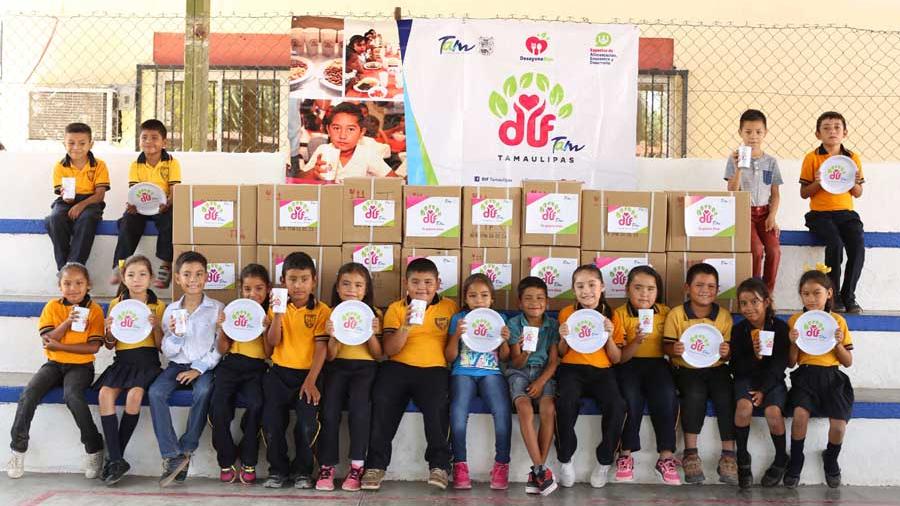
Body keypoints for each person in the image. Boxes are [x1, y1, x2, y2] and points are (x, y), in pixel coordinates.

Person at [361, 258, 458, 491]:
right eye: (415, 282)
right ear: (406, 283)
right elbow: (389, 350)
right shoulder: (396, 309)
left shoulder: (450, 307)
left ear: (438, 284)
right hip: (398, 367)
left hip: (434, 369)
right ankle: (375, 465)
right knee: (382, 400)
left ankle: (440, 466)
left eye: (428, 282)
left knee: (437, 406)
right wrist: (406, 325)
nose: (421, 288)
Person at [7, 263, 104, 479]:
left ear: (88, 285)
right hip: (54, 364)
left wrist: (59, 346)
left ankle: (94, 448)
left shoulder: (95, 310)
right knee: (29, 393)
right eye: (67, 283)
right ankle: (18, 448)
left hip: (81, 366)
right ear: (60, 286)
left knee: (73, 396)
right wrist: (68, 322)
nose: (73, 288)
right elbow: (48, 338)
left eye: (79, 283)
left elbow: (93, 347)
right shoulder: (52, 307)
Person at [149, 251, 223, 487]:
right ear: (178, 278)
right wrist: (177, 336)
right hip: (176, 364)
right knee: (155, 393)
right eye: (187, 274)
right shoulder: (171, 311)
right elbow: (167, 350)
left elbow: (220, 348)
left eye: (199, 274)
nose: (193, 279)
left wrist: (199, 369)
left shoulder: (217, 309)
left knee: (203, 392)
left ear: (207, 277)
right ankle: (172, 455)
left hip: (205, 367)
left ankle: (188, 447)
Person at [262, 252, 330, 489]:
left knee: (306, 423)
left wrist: (311, 381)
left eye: (304, 279)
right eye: (292, 279)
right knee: (271, 421)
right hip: (279, 373)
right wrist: (278, 315)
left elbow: (322, 349)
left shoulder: (322, 311)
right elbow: (271, 345)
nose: (298, 285)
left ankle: (303, 471)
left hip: (309, 375)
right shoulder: (276, 309)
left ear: (314, 280)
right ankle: (277, 470)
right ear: (283, 281)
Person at [663, 263, 736, 485]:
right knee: (694, 395)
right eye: (699, 285)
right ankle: (690, 453)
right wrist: (672, 349)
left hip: (716, 369)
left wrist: (726, 352)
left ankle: (728, 454)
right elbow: (665, 346)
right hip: (686, 369)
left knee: (726, 396)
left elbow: (727, 352)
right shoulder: (676, 314)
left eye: (711, 286)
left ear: (717, 289)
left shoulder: (723, 316)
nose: (705, 290)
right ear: (687, 287)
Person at [95, 255, 164, 485]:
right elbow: (110, 343)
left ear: (151, 278)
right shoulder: (117, 304)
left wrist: (156, 328)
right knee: (105, 394)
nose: (137, 280)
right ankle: (116, 460)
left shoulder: (158, 305)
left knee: (135, 395)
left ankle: (115, 459)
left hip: (148, 361)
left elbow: (161, 346)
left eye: (142, 274)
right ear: (123, 279)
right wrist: (109, 331)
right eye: (131, 275)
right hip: (122, 360)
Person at [556, 265, 626, 489]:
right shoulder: (567, 313)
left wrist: (609, 336)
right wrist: (563, 338)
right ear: (573, 290)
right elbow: (560, 353)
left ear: (602, 287)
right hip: (571, 368)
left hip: (602, 371)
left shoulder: (613, 315)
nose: (586, 291)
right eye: (580, 286)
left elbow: (616, 359)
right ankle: (565, 458)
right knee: (565, 403)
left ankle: (604, 461)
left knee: (617, 405)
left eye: (592, 285)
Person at [315, 263, 383, 492]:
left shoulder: (373, 313)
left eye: (358, 285)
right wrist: (333, 335)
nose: (351, 289)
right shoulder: (331, 313)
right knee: (329, 411)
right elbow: (331, 356)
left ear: (366, 289)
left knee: (359, 410)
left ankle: (357, 466)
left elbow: (378, 354)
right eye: (346, 284)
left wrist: (372, 334)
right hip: (338, 368)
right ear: (337, 287)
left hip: (365, 368)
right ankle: (326, 466)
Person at [785, 268, 855, 489]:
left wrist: (837, 343)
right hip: (805, 376)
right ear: (801, 296)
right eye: (806, 294)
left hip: (832, 378)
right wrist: (793, 342)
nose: (812, 299)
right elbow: (791, 363)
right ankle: (796, 459)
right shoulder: (796, 321)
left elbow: (847, 361)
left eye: (817, 293)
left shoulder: (838, 322)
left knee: (839, 426)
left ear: (829, 293)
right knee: (799, 416)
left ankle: (831, 457)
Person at [611, 265, 681, 485]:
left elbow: (670, 345)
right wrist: (637, 340)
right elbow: (620, 357)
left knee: (667, 395)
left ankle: (666, 457)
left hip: (657, 364)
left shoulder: (665, 312)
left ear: (657, 291)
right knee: (631, 399)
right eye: (638, 288)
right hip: (628, 364)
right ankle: (625, 454)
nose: (644, 293)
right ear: (627, 289)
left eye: (651, 289)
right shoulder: (619, 314)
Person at [445, 274, 512, 490]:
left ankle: (502, 464)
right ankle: (460, 465)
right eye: (473, 296)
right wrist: (456, 335)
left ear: (492, 298)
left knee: (502, 412)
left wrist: (504, 340)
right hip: (462, 372)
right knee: (457, 414)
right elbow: (449, 356)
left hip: (491, 372)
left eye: (484, 295)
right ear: (466, 298)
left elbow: (504, 357)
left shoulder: (499, 318)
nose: (479, 300)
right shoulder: (459, 319)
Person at [210, 264, 272, 485]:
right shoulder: (233, 310)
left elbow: (268, 352)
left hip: (256, 369)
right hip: (230, 366)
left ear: (268, 290)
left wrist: (267, 329)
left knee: (256, 405)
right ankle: (226, 459)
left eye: (259, 289)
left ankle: (249, 458)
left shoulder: (269, 315)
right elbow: (222, 349)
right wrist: (223, 328)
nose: (252, 294)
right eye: (247, 289)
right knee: (218, 406)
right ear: (240, 289)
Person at [800, 111, 865, 313]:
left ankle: (849, 295)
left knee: (857, 246)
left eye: (837, 127)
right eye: (826, 128)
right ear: (818, 134)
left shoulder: (852, 158)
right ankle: (833, 296)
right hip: (819, 214)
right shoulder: (812, 158)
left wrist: (853, 182)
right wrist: (818, 182)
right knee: (835, 244)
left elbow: (858, 192)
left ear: (844, 132)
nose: (832, 131)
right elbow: (804, 193)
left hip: (846, 213)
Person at [731, 277, 791, 489]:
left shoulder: (780, 328)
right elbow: (735, 367)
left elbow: (779, 366)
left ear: (766, 301)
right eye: (743, 303)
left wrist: (764, 390)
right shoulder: (739, 331)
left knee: (773, 412)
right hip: (745, 378)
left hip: (771, 380)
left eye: (754, 301)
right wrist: (755, 355)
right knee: (743, 407)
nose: (748, 308)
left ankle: (781, 458)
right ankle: (742, 457)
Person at [505, 277, 559, 495]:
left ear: (546, 302)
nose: (534, 302)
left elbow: (554, 360)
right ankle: (540, 470)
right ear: (519, 302)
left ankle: (537, 471)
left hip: (545, 374)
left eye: (540, 298)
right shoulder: (514, 324)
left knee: (549, 410)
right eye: (528, 298)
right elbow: (515, 362)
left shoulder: (553, 325)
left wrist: (540, 381)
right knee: (525, 410)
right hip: (519, 373)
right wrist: (525, 352)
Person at [111, 119, 181, 288]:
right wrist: (133, 205)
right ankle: (120, 266)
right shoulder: (136, 165)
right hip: (141, 207)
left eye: (154, 137)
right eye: (144, 138)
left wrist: (168, 203)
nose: (149, 141)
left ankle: (165, 265)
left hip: (163, 206)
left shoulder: (172, 163)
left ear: (164, 142)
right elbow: (134, 191)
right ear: (139, 141)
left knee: (170, 221)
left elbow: (174, 190)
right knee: (127, 221)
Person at [725, 109, 782, 293]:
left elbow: (775, 193)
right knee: (756, 251)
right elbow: (731, 191)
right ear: (740, 133)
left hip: (764, 213)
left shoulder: (771, 162)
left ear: (765, 133)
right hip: (744, 213)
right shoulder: (733, 159)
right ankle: (753, 292)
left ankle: (767, 293)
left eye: (758, 132)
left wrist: (772, 216)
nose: (753, 136)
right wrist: (739, 167)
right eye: (748, 132)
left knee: (774, 251)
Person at [45, 123, 109, 270]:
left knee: (87, 219)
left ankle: (75, 267)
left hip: (91, 201)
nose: (76, 147)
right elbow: (64, 195)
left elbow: (100, 195)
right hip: (66, 201)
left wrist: (80, 206)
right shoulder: (60, 166)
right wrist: (68, 199)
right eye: (71, 143)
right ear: (64, 144)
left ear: (91, 144)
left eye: (82, 143)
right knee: (54, 219)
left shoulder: (99, 165)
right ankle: (63, 269)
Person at [301, 102, 393, 182]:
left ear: (361, 132)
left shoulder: (367, 154)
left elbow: (396, 181)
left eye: (351, 129)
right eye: (336, 128)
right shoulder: (324, 150)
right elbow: (299, 180)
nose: (342, 135)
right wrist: (313, 172)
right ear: (328, 130)